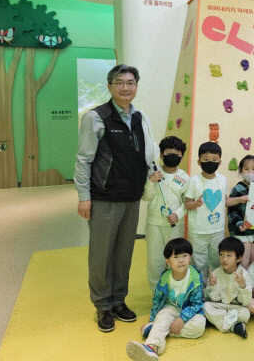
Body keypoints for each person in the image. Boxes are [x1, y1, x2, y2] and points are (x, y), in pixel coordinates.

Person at [75, 64, 159, 332]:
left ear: (136, 86)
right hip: (104, 198)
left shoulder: (140, 118)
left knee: (124, 254)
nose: (125, 87)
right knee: (102, 255)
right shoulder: (96, 118)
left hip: (131, 198)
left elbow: (146, 154)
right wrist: (84, 196)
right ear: (109, 86)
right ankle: (102, 305)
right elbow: (83, 160)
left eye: (130, 83)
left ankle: (119, 300)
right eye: (119, 82)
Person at [126, 238, 205, 361]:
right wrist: (152, 319)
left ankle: (157, 330)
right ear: (167, 261)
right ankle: (152, 348)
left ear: (190, 257)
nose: (181, 260)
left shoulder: (195, 277)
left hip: (190, 311)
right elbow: (157, 300)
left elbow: (197, 304)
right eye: (176, 257)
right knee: (162, 316)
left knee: (199, 327)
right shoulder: (165, 278)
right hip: (171, 308)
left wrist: (182, 319)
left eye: (185, 256)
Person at [142, 136, 190, 290]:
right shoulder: (154, 173)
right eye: (169, 153)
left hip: (175, 225)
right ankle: (157, 293)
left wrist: (178, 214)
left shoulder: (184, 177)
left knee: (175, 259)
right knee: (155, 260)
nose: (173, 157)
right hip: (154, 225)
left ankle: (174, 291)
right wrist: (150, 181)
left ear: (182, 156)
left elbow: (187, 202)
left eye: (177, 154)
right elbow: (145, 197)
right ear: (162, 155)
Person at [184, 141, 227, 280]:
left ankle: (213, 287)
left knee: (216, 261)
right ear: (199, 162)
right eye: (206, 159)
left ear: (220, 162)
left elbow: (224, 201)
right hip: (198, 231)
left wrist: (241, 199)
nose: (210, 163)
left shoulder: (223, 180)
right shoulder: (193, 181)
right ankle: (199, 288)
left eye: (214, 160)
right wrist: (195, 204)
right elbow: (187, 204)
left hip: (217, 230)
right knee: (199, 262)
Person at [203, 237, 252, 338]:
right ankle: (233, 327)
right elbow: (212, 299)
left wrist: (243, 286)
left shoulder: (244, 275)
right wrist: (213, 285)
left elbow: (246, 302)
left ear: (239, 258)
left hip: (235, 308)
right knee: (206, 306)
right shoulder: (215, 273)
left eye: (229, 255)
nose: (224, 259)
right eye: (221, 255)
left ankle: (217, 321)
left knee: (246, 313)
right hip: (220, 306)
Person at [227, 155, 254, 268]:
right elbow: (231, 210)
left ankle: (250, 280)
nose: (250, 172)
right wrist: (239, 223)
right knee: (243, 262)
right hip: (242, 233)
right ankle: (241, 279)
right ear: (241, 171)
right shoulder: (238, 189)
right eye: (246, 169)